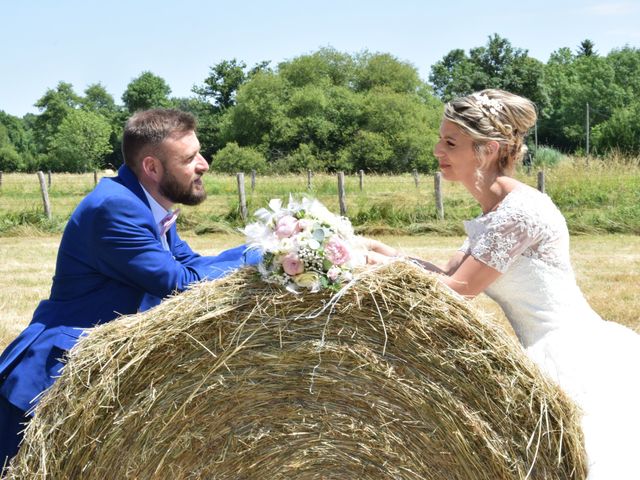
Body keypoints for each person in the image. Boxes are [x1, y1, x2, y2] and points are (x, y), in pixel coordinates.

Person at [370, 89, 640, 479]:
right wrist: (378, 254)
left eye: (450, 142)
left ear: (489, 149)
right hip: (538, 342)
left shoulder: (518, 213)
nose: (436, 150)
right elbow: (446, 276)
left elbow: (459, 290)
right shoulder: (495, 212)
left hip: (567, 348)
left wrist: (382, 270)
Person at [0, 109, 260, 468]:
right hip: (55, 375)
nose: (204, 164)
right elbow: (180, 284)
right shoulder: (116, 208)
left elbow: (191, 264)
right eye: (189, 158)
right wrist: (263, 256)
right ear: (152, 168)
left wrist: (274, 249)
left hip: (98, 367)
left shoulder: (143, 202)